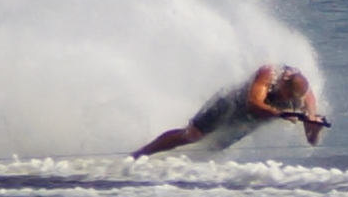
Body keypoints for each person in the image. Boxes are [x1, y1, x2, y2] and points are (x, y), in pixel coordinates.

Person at [131, 64, 328, 159]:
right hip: (231, 104)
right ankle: (140, 154)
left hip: (250, 120)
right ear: (284, 82)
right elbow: (254, 103)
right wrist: (280, 114)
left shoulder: (302, 98)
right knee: (192, 135)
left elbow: (311, 141)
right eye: (285, 95)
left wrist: (314, 126)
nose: (286, 100)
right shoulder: (269, 74)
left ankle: (176, 171)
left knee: (214, 147)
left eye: (290, 99)